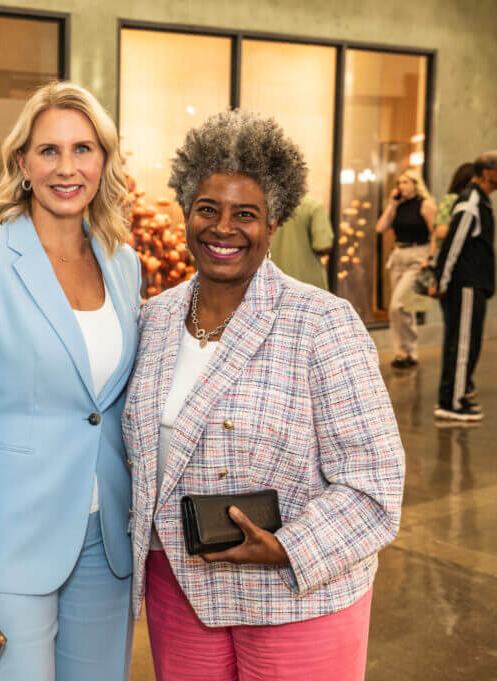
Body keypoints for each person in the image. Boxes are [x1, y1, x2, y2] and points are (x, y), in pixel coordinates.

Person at [122, 109, 405, 681]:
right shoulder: (152, 320)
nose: (223, 228)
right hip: (180, 592)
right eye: (208, 209)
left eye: (244, 214)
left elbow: (375, 483)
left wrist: (287, 547)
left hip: (297, 597)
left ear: (273, 223)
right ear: (185, 213)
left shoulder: (322, 321)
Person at [0, 81, 141, 681]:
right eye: (49, 151)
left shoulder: (124, 265)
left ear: (104, 159)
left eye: (83, 149)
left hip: (106, 540)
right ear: (22, 163)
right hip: (6, 545)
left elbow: (113, 408)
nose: (66, 168)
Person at [431, 152, 497, 422]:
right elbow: (453, 245)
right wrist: (442, 281)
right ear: (485, 173)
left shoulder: (481, 201)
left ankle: (457, 397)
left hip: (474, 284)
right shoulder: (470, 201)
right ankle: (452, 402)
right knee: (462, 344)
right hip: (465, 285)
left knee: (467, 343)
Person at [375, 169, 437, 368]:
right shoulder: (398, 206)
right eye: (399, 182)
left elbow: (436, 233)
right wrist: (392, 204)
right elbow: (380, 228)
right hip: (398, 255)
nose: (401, 186)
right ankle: (405, 352)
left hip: (418, 255)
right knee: (404, 308)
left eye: (405, 182)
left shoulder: (426, 204)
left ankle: (407, 349)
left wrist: (430, 258)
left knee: (397, 305)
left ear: (415, 184)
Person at [268, 194, 333, 290]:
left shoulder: (267, 208)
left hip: (274, 286)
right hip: (308, 287)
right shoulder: (313, 206)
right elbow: (323, 246)